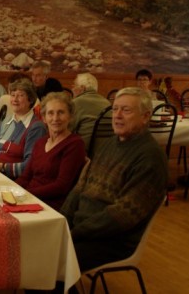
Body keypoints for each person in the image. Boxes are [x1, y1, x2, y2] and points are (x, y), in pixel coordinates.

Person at [60, 87, 168, 272]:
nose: (117, 115)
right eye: (115, 109)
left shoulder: (150, 157)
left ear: (145, 116)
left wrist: (74, 233)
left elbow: (122, 216)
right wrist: (63, 221)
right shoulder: (110, 143)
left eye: (126, 110)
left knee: (48, 260)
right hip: (85, 230)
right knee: (39, 249)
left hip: (113, 241)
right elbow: (80, 188)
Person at [16, 92, 86, 210]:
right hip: (28, 198)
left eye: (61, 112)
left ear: (70, 116)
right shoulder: (40, 142)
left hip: (50, 206)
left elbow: (61, 186)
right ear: (44, 118)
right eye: (50, 113)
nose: (55, 118)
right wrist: (11, 190)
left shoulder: (75, 144)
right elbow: (26, 176)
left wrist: (26, 194)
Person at [0, 79, 47, 179]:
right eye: (12, 95)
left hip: (14, 181)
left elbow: (30, 165)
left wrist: (1, 167)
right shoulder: (6, 121)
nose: (15, 99)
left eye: (20, 95)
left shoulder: (36, 127)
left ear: (30, 99)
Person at [71, 73, 111, 150]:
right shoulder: (107, 102)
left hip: (84, 150)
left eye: (74, 86)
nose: (72, 89)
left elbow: (66, 130)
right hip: (106, 150)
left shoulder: (76, 103)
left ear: (82, 88)